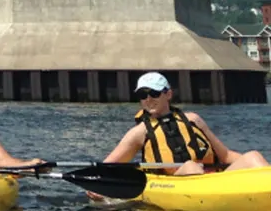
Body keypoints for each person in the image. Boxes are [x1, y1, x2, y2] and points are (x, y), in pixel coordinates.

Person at [86, 72, 269, 198]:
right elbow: (107, 167)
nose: (149, 99)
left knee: (253, 156)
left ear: (168, 94)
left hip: (213, 178)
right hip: (173, 185)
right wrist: (97, 186)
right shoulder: (139, 133)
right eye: (143, 95)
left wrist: (255, 166)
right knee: (190, 167)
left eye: (155, 93)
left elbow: (226, 156)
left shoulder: (193, 120)